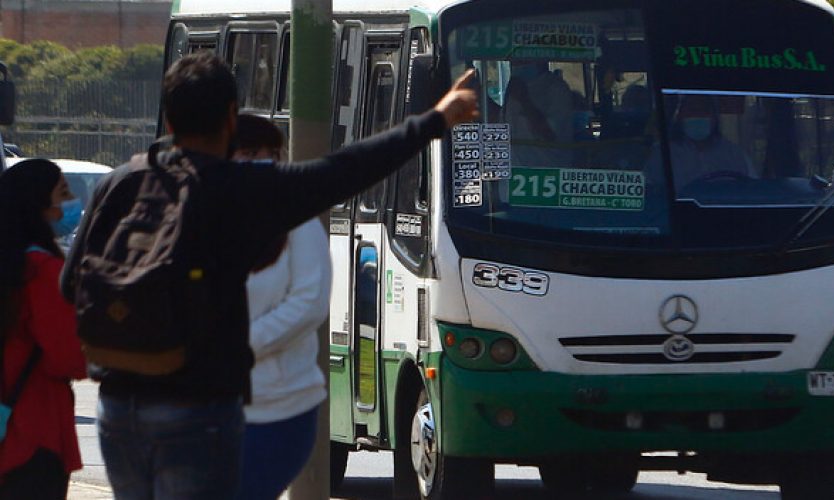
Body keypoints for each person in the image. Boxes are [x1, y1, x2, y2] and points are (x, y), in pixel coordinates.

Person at [60, 52, 477, 499]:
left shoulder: (121, 181)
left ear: (167, 116)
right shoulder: (240, 189)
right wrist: (436, 120)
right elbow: (345, 170)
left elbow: (71, 285)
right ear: (230, 117)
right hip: (199, 407)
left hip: (119, 406)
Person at [232, 114, 331, 500]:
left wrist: (238, 345)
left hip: (279, 408)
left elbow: (309, 302)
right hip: (206, 407)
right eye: (251, 153)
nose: (265, 162)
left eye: (274, 154)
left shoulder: (299, 221)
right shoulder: (197, 214)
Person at [0, 159, 87, 500]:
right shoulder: (43, 271)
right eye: (62, 193)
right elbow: (70, 358)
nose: (69, 203)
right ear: (38, 204)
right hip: (33, 429)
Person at [664, 94, 755, 190]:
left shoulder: (735, 155)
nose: (697, 115)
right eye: (691, 110)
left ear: (714, 117)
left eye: (703, 110)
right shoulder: (663, 155)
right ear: (680, 117)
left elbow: (754, 190)